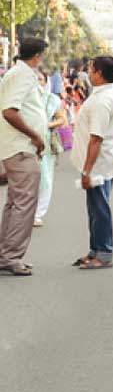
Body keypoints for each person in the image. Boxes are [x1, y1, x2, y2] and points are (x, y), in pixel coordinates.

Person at [70, 57, 113, 271]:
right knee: (94, 207)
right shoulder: (111, 94)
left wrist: (87, 170)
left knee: (100, 208)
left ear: (99, 73)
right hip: (104, 160)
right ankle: (95, 249)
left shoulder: (103, 100)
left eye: (91, 70)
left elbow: (96, 138)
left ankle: (104, 252)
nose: (89, 73)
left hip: (98, 163)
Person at [0, 38, 48, 276]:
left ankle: (5, 253)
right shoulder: (24, 74)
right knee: (24, 203)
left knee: (14, 203)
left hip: (16, 146)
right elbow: (9, 111)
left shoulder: (16, 73)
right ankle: (11, 256)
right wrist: (35, 136)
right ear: (38, 56)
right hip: (21, 147)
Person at [34, 71, 66, 227]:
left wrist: (47, 124)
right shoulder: (25, 100)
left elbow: (62, 119)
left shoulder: (53, 100)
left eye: (40, 79)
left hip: (46, 143)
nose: (37, 82)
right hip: (26, 142)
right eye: (34, 79)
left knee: (45, 179)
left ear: (46, 82)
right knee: (28, 179)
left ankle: (39, 213)